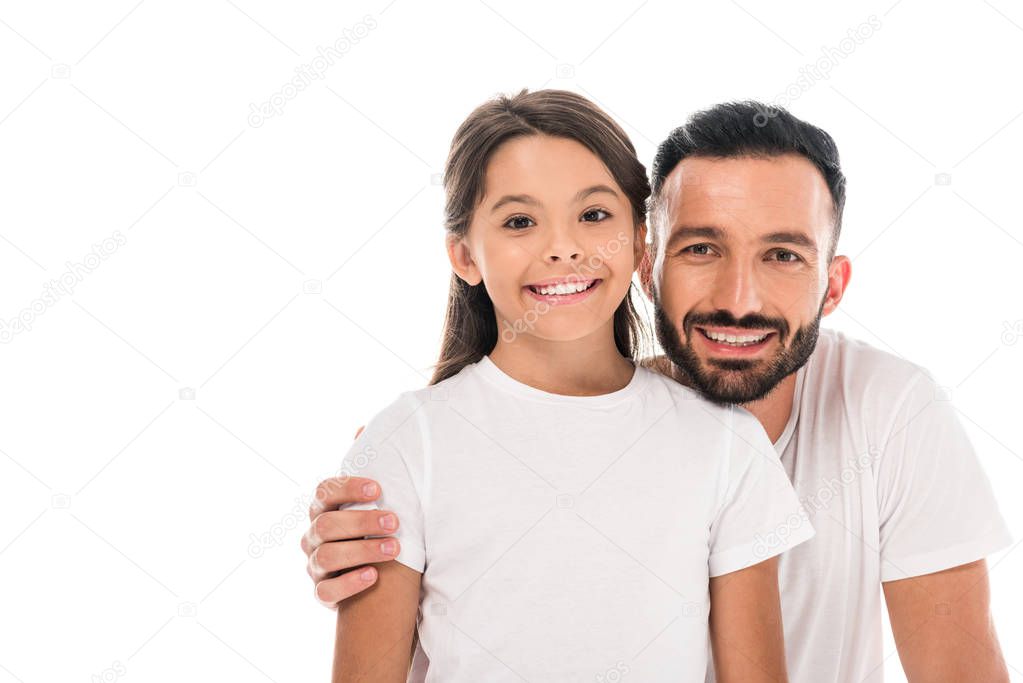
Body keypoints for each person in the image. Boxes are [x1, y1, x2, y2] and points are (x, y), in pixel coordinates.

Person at [306, 99, 1013, 682]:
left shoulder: (885, 411)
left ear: (832, 285)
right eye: (701, 248)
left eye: (782, 255)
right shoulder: (433, 437)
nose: (738, 299)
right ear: (649, 264)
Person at [329, 89, 813, 682]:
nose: (564, 247)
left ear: (641, 239)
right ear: (464, 255)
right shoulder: (410, 442)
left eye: (593, 215)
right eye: (520, 222)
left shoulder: (724, 444)